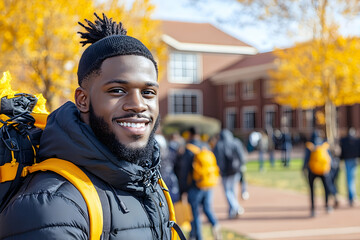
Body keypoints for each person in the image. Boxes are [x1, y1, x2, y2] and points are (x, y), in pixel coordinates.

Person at [0, 13, 173, 239]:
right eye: (117, 91)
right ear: (82, 100)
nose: (138, 105)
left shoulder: (149, 182)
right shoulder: (52, 207)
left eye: (148, 93)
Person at [179, 126, 221, 240]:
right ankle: (215, 225)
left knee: (195, 213)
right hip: (207, 183)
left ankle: (198, 237)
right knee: (207, 208)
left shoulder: (189, 149)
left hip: (194, 185)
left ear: (190, 134)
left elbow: (184, 171)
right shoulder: (205, 146)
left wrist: (182, 189)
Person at [213, 129, 246, 219]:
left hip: (225, 172)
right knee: (232, 190)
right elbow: (241, 156)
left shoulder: (219, 145)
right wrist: (241, 166)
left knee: (228, 191)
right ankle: (232, 210)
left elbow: (217, 159)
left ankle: (236, 207)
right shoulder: (236, 142)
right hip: (235, 170)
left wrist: (221, 170)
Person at [303, 129, 333, 217]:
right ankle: (327, 205)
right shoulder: (324, 145)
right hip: (324, 171)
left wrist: (304, 168)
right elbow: (329, 158)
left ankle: (313, 209)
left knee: (312, 190)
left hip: (312, 171)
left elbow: (306, 159)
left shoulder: (310, 146)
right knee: (326, 189)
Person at [340, 127, 359, 207]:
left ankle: (352, 197)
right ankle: (352, 197)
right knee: (352, 179)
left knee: (349, 180)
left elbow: (342, 152)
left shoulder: (344, 140)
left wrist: (341, 160)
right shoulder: (356, 140)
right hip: (354, 160)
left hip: (348, 161)